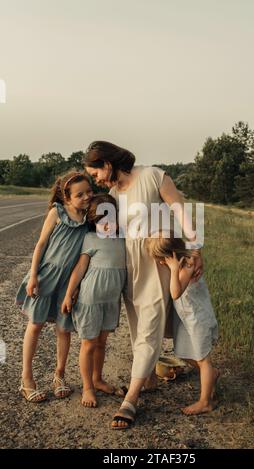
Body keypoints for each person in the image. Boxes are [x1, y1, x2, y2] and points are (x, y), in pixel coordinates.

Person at [83, 141, 203, 429]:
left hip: (157, 263)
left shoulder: (153, 176)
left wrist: (196, 248)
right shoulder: (112, 194)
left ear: (107, 165)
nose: (95, 179)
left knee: (149, 325)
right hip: (131, 267)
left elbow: (181, 211)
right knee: (139, 327)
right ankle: (148, 379)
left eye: (95, 173)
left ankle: (132, 399)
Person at [16, 171, 93, 402]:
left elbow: (85, 256)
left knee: (64, 328)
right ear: (66, 198)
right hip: (46, 276)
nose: (87, 197)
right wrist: (33, 277)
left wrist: (77, 287)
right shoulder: (57, 213)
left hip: (67, 283)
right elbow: (40, 245)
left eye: (89, 191)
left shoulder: (89, 220)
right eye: (80, 194)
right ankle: (26, 379)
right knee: (36, 324)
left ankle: (59, 375)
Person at [61, 194, 127, 408]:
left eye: (111, 218)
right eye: (101, 220)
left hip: (111, 301)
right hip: (90, 299)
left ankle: (98, 379)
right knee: (89, 343)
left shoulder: (123, 238)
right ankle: (87, 386)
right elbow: (80, 268)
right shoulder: (91, 239)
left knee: (102, 343)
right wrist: (69, 293)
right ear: (93, 221)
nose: (107, 224)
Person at [147, 232, 219, 415]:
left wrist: (172, 269)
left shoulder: (187, 265)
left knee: (203, 359)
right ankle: (212, 374)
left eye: (162, 260)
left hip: (198, 319)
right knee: (184, 353)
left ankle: (205, 401)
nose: (161, 263)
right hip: (188, 318)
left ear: (171, 256)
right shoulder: (187, 255)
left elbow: (175, 293)